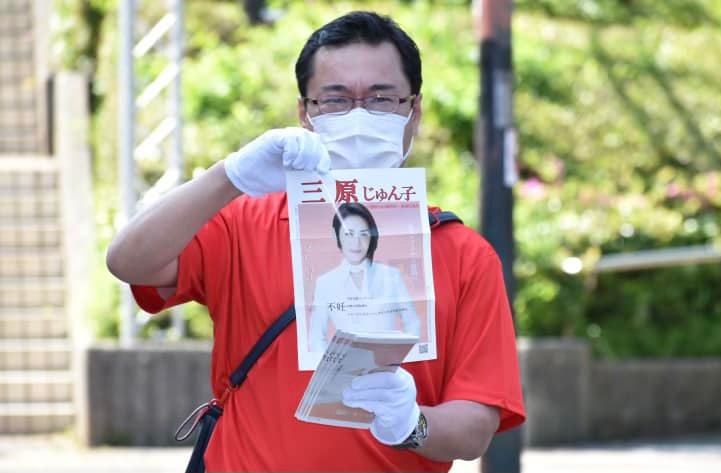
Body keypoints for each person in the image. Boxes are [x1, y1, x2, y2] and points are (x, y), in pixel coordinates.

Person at [107, 10, 525, 472]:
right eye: (336, 99)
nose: (360, 115)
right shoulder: (244, 222)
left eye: (382, 99)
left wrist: (413, 424)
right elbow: (130, 261)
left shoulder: (463, 255)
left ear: (414, 111)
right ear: (305, 113)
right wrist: (229, 176)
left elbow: (475, 426)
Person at [309, 202, 421, 352]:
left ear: (372, 236)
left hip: (389, 370)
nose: (356, 243)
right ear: (336, 235)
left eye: (363, 234)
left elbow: (413, 323)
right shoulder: (325, 283)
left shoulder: (391, 276)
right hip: (345, 371)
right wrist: (335, 368)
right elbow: (316, 337)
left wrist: (396, 357)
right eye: (349, 234)